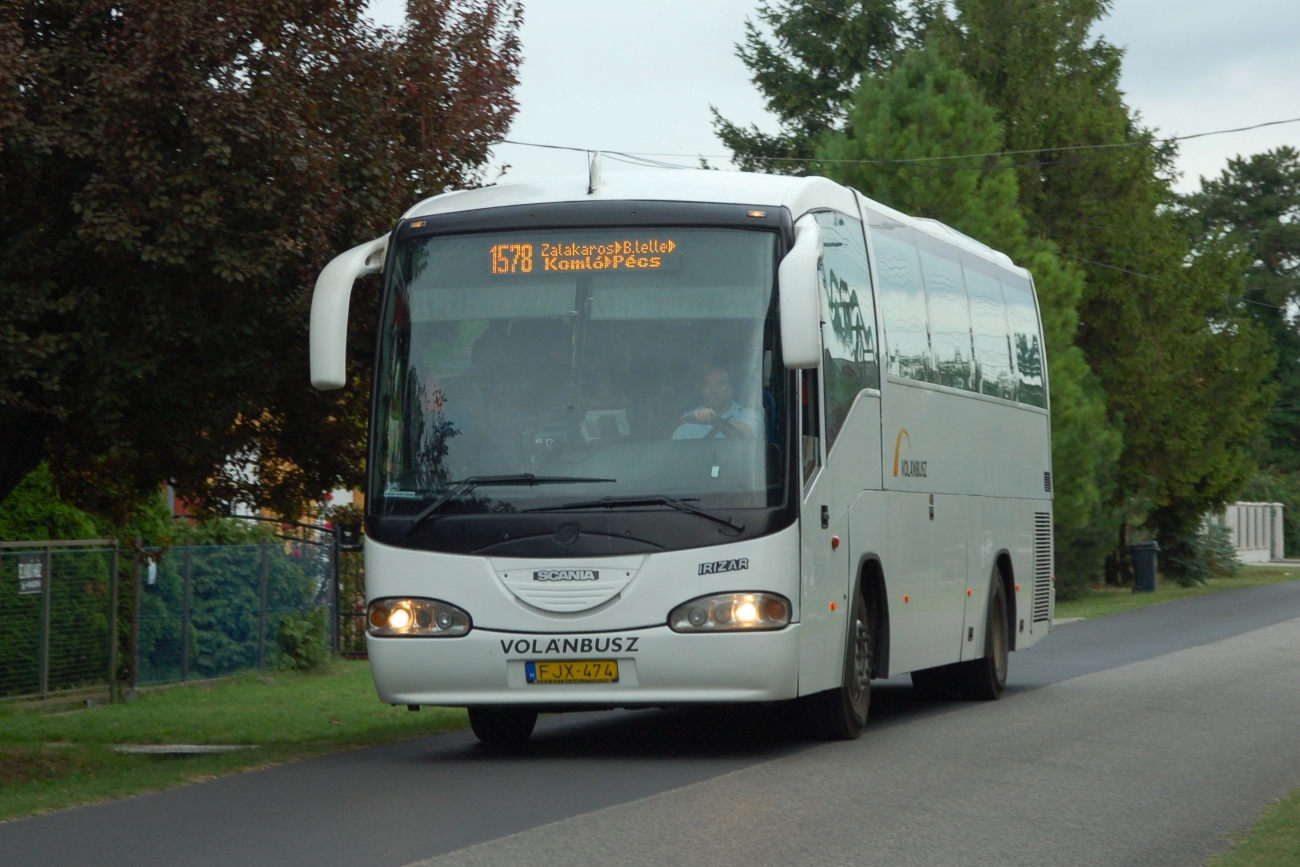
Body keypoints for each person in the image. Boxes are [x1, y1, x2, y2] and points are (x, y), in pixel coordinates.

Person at [672, 366, 763, 440]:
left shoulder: (748, 414)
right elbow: (676, 456)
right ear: (701, 390)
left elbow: (749, 434)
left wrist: (716, 420)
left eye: (720, 384)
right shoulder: (688, 420)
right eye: (708, 385)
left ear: (731, 389)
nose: (714, 390)